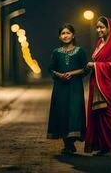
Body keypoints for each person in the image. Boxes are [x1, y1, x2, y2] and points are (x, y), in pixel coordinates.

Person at [84, 16, 111, 156]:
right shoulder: (100, 42)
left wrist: (95, 65)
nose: (99, 30)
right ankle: (104, 147)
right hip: (97, 83)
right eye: (97, 27)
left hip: (107, 84)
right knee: (98, 114)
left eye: (102, 27)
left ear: (109, 27)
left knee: (109, 113)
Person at [47, 23, 89, 154]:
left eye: (68, 33)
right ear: (59, 36)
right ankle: (68, 145)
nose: (65, 36)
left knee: (74, 112)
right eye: (63, 33)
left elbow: (86, 69)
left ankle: (71, 143)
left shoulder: (80, 51)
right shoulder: (56, 52)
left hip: (75, 87)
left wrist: (72, 73)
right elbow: (51, 68)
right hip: (60, 87)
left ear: (73, 35)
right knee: (62, 112)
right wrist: (58, 74)